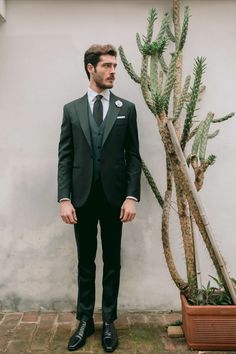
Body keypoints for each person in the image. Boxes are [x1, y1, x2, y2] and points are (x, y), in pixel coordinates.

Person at [57, 44, 141, 352]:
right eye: (107, 65)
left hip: (114, 199)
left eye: (115, 66)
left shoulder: (126, 108)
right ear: (91, 68)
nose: (113, 71)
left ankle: (108, 321)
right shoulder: (72, 109)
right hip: (81, 199)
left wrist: (132, 196)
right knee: (85, 262)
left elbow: (133, 156)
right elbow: (64, 157)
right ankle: (84, 320)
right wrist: (63, 199)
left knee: (113, 262)